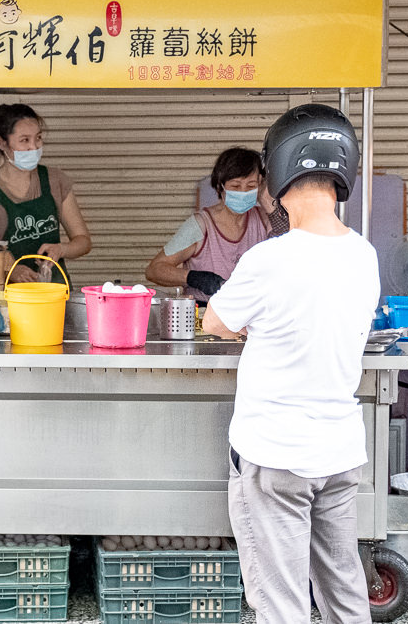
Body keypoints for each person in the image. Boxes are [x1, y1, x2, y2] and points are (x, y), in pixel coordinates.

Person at [202, 104, 379, 624]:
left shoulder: (270, 258)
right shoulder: (364, 254)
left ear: (277, 173)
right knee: (344, 589)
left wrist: (254, 324)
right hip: (340, 451)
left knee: (282, 601)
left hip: (276, 453)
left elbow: (214, 320)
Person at [0, 104, 91, 284]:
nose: (34, 147)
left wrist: (62, 249)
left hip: (53, 296)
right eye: (24, 140)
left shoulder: (55, 181)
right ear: (2, 143)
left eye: (38, 138)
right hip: (6, 300)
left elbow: (83, 242)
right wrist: (7, 268)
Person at [145, 147, 269, 303]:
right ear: (220, 187)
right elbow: (155, 270)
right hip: (205, 313)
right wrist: (193, 278)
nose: (243, 192)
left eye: (251, 186)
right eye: (235, 187)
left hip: (251, 313)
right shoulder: (200, 225)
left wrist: (266, 199)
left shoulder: (264, 219)